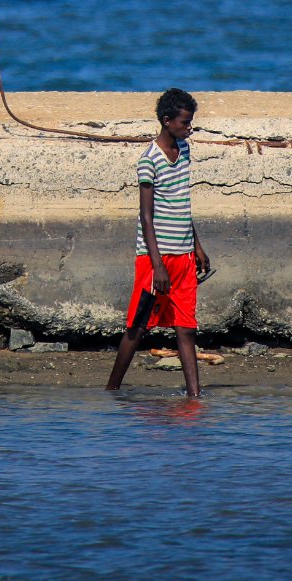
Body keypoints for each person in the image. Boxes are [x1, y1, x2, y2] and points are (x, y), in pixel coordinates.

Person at [104, 87, 213, 398]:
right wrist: (157, 266)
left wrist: (197, 246)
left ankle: (195, 396)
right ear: (167, 121)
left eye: (190, 123)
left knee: (186, 327)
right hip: (156, 259)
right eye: (185, 123)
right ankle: (112, 389)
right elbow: (146, 216)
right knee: (138, 327)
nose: (189, 128)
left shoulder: (185, 152)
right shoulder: (149, 161)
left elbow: (182, 204)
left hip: (184, 256)